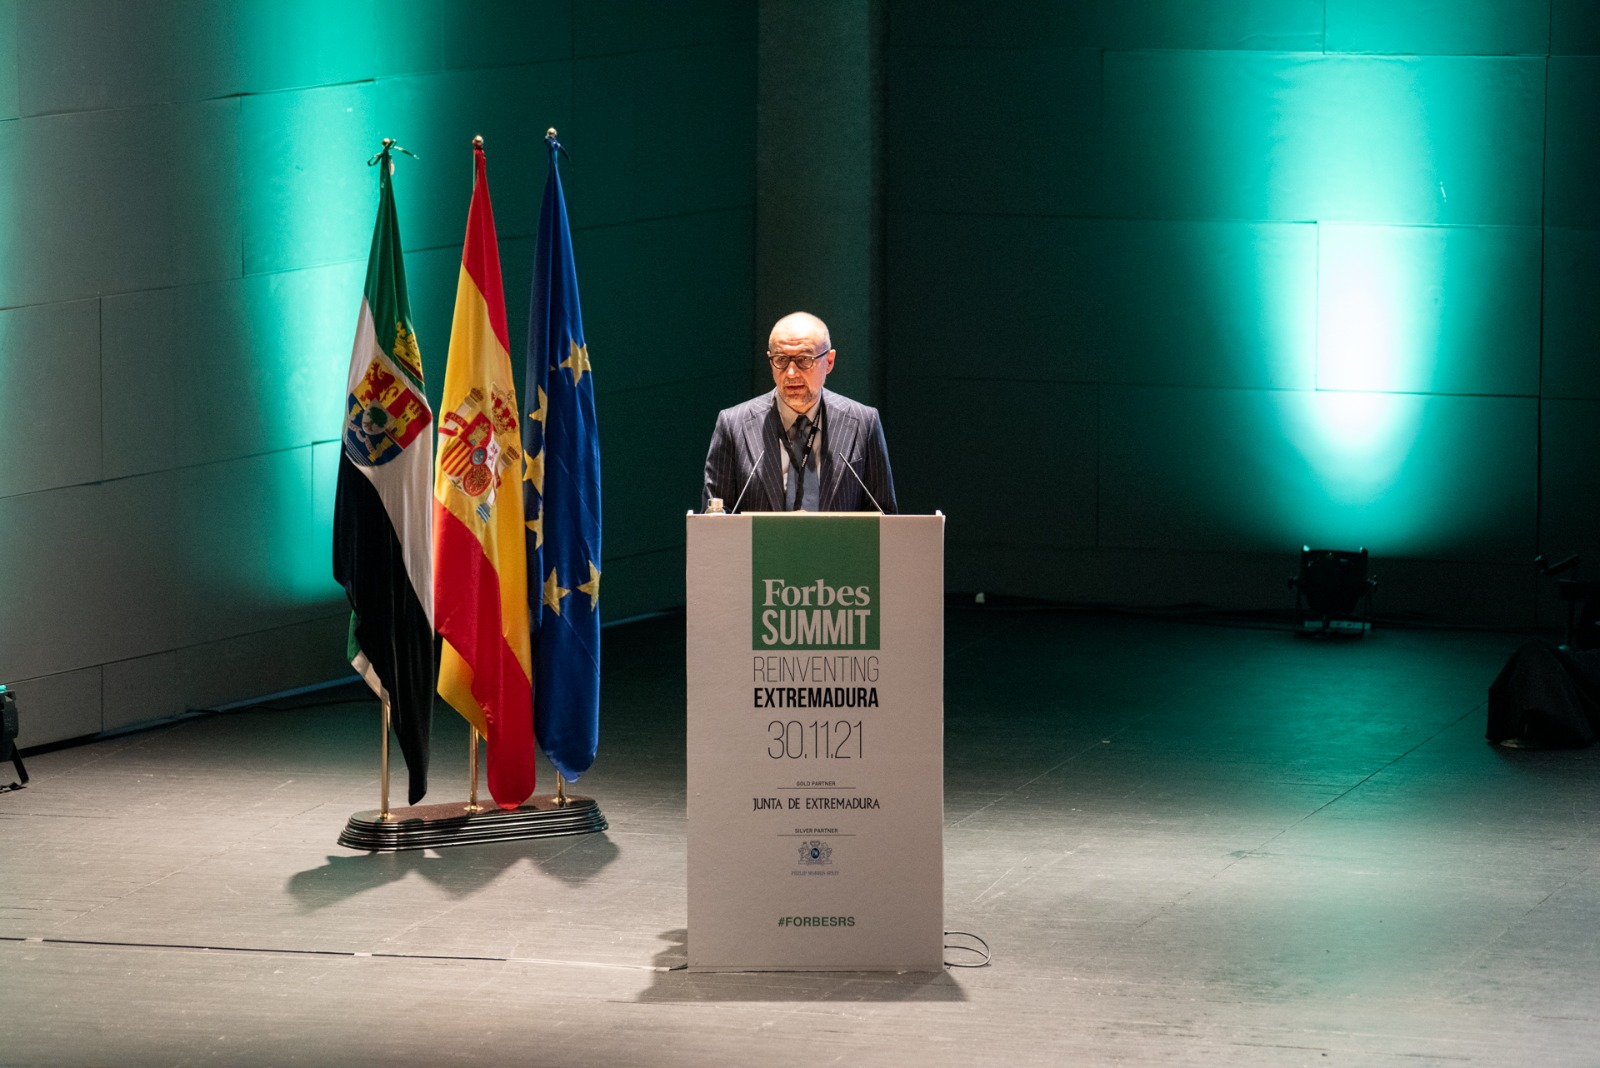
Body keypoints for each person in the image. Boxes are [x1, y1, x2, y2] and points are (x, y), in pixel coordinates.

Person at [702, 311, 897, 514]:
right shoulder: (734, 425)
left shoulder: (862, 423)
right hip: (761, 546)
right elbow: (715, 520)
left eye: (804, 359)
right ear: (770, 361)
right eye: (781, 359)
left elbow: (884, 518)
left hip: (837, 546)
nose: (791, 372)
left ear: (829, 362)